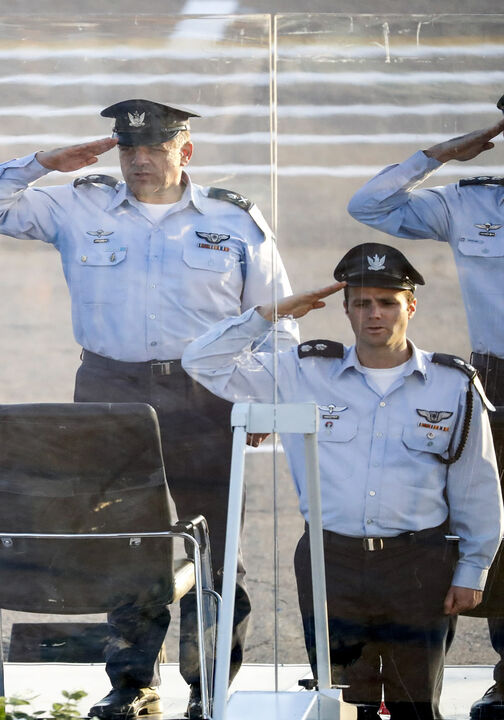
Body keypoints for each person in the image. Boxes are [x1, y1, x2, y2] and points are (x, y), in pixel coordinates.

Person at [0, 98, 296, 720]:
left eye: (156, 149)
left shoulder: (235, 219)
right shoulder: (78, 205)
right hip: (110, 389)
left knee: (216, 548)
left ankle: (210, 688)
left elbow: (277, 319)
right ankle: (133, 684)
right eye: (129, 149)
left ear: (184, 152)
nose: (141, 160)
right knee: (122, 543)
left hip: (207, 391)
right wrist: (41, 162)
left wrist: (260, 400)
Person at [182, 242, 503, 720]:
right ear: (347, 311)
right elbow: (202, 361)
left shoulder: (452, 383)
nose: (376, 314)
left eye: (388, 302)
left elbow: (476, 484)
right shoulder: (304, 371)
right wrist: (268, 315)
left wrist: (473, 569)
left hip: (417, 564)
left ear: (410, 306)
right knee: (343, 705)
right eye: (362, 303)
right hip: (330, 563)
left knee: (415, 706)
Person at [347, 107, 504, 720]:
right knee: (493, 521)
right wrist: (438, 156)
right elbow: (372, 207)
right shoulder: (470, 203)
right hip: (498, 377)